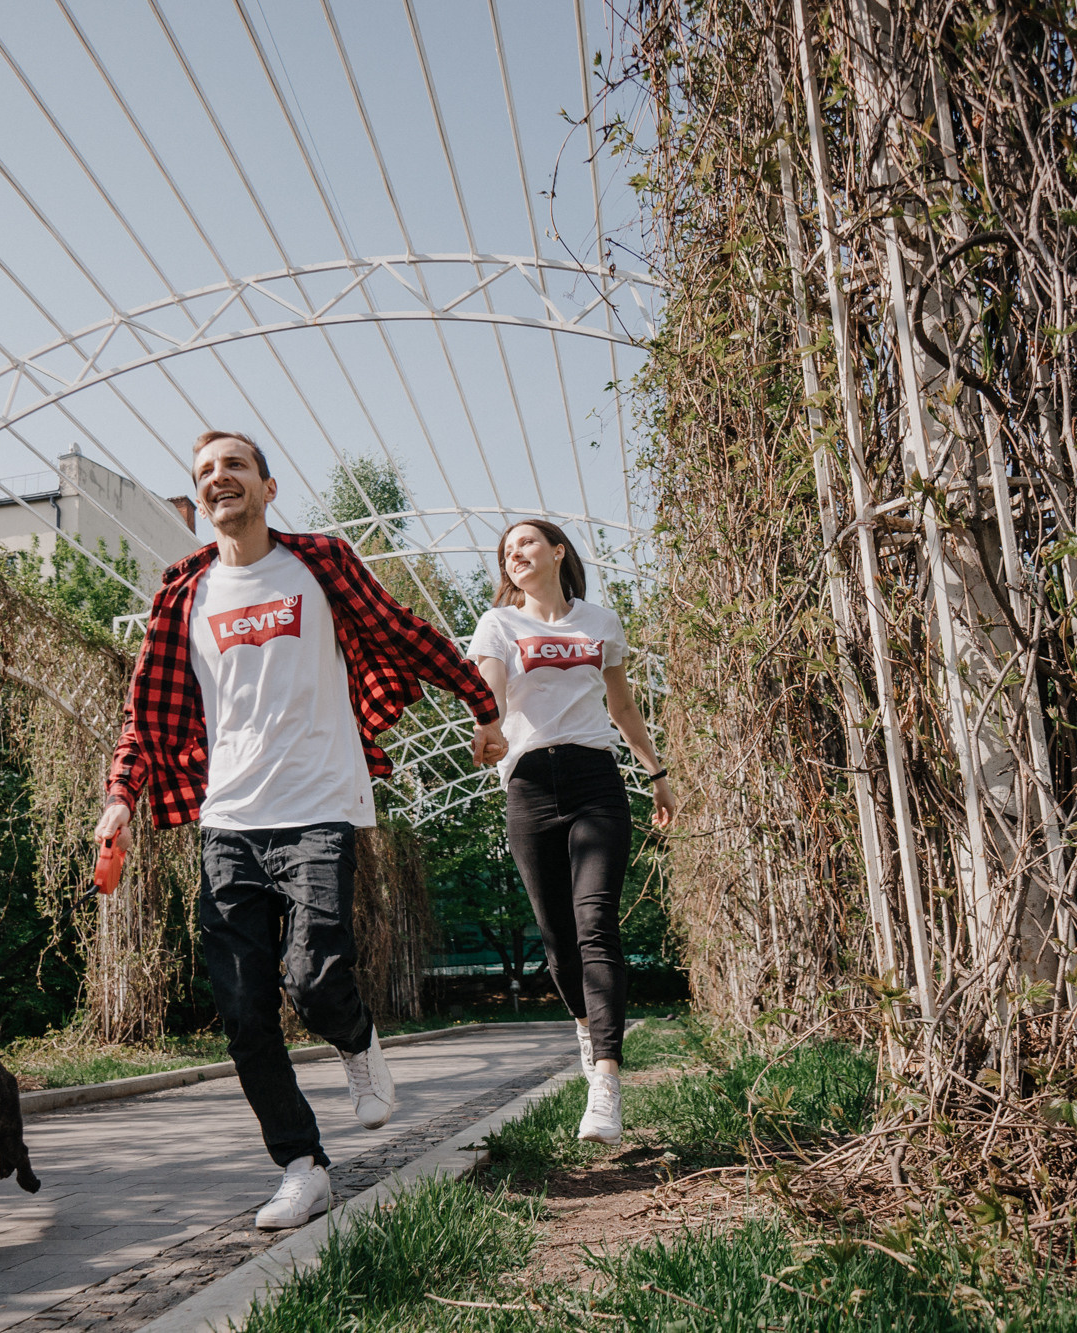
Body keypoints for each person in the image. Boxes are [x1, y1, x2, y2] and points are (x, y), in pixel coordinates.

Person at [93, 429, 507, 1232]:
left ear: (268, 487)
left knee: (314, 976)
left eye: (235, 466)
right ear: (199, 497)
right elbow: (145, 717)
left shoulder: (320, 563)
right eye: (205, 471)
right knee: (244, 1012)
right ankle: (302, 1165)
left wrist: (481, 704)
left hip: (319, 803)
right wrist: (121, 798)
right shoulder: (182, 593)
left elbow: (405, 630)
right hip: (228, 822)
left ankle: (357, 1042)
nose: (220, 479)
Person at [466, 520, 676, 1145]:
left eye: (527, 543)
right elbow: (490, 690)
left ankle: (606, 1084)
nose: (516, 553)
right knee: (559, 943)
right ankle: (586, 1029)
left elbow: (622, 705)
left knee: (596, 922)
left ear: (557, 551)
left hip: (595, 780)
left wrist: (656, 772)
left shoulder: (600, 622)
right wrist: (489, 727)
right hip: (529, 784)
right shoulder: (499, 625)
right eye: (507, 551)